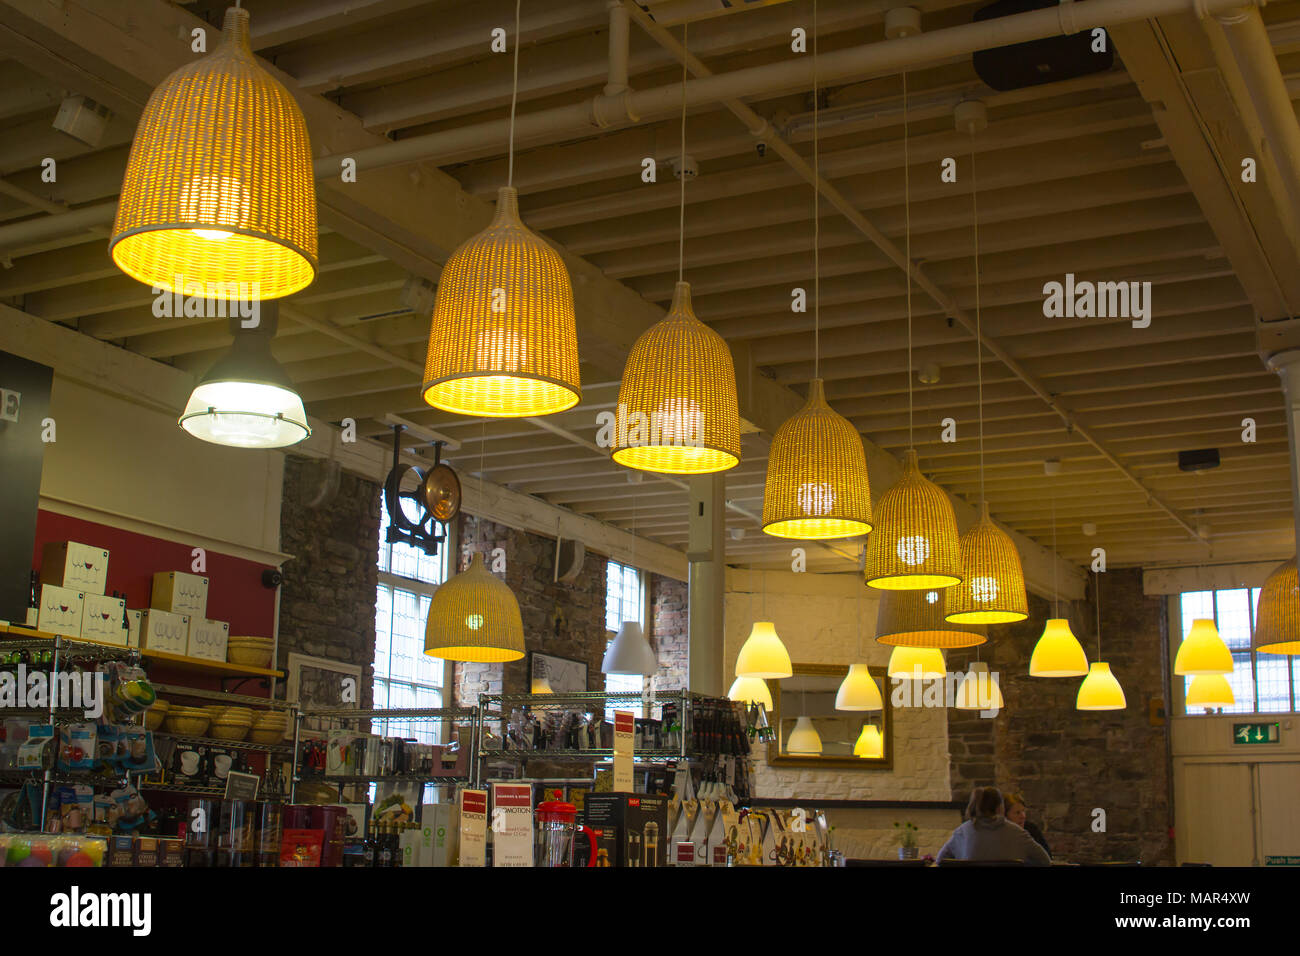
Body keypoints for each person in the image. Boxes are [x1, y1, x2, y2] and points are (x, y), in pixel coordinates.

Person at [936, 786, 1051, 866]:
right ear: (1000, 808)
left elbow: (940, 860)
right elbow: (1045, 861)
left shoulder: (962, 832)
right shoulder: (1017, 833)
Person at [1004, 791, 1052, 859]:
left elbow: (1047, 856)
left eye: (1023, 811)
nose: (1023, 816)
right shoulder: (1001, 833)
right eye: (1017, 813)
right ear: (1005, 816)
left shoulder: (1031, 829)